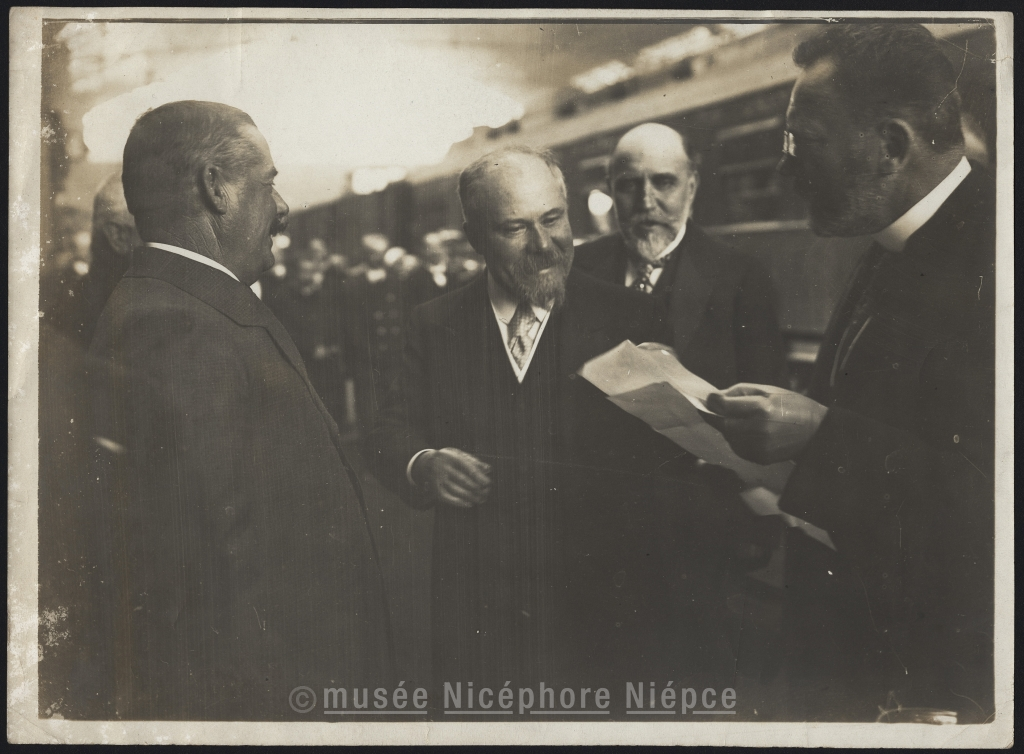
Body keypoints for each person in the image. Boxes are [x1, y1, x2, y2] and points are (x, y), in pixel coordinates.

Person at [374, 146, 756, 702]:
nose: (543, 244)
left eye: (553, 219)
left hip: (603, 615)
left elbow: (670, 469)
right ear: (475, 237)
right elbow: (388, 429)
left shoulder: (631, 316)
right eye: (515, 228)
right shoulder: (434, 325)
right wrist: (423, 464)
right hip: (482, 612)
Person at [705, 24, 995, 723]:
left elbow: (993, 501)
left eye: (803, 141)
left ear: (891, 146)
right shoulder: (901, 238)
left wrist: (819, 436)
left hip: (932, 682)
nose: (785, 170)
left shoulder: (1000, 258)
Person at [88, 100, 393, 720]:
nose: (282, 206)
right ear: (216, 188)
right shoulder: (175, 327)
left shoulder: (180, 306)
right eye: (268, 183)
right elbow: (216, 583)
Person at [574, 122, 788, 389]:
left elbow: (767, 396)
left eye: (664, 182)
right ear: (611, 189)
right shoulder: (577, 267)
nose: (646, 202)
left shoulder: (742, 277)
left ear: (691, 187)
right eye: (629, 185)